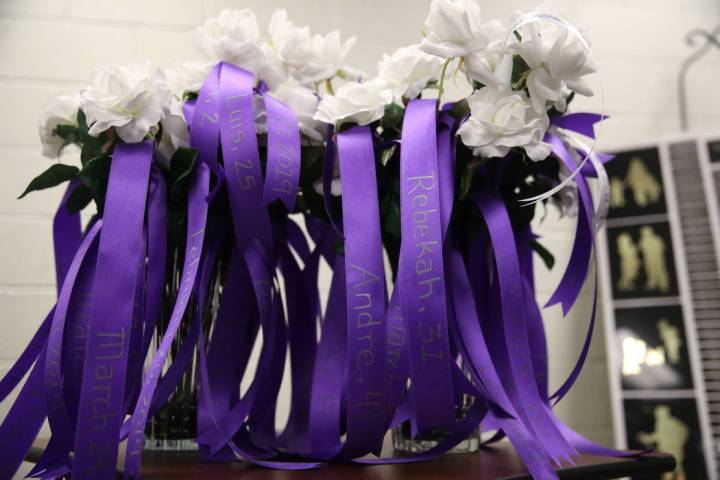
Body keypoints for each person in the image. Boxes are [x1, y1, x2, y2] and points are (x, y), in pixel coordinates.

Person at [637, 405, 689, 480]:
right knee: (678, 470)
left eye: (658, 413)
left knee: (671, 472)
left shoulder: (664, 423)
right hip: (673, 451)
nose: (657, 415)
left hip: (671, 451)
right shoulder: (673, 422)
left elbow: (658, 436)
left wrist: (645, 438)